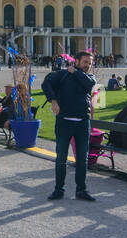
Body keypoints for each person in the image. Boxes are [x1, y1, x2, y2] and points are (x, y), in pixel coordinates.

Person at [42, 49, 98, 201]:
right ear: (77, 61)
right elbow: (46, 83)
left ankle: (81, 190)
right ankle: (59, 190)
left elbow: (89, 84)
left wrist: (75, 71)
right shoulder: (63, 74)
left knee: (82, 158)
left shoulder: (89, 76)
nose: (88, 65)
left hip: (82, 123)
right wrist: (53, 100)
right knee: (61, 158)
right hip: (64, 122)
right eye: (85, 62)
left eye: (90, 63)